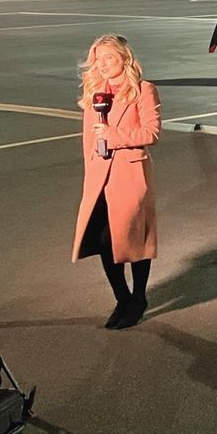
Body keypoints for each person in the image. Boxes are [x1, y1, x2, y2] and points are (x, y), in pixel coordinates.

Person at [72, 34, 161, 329]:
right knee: (103, 241)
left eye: (109, 57)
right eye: (98, 59)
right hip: (100, 177)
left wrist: (114, 137)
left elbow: (151, 132)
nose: (103, 64)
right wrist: (90, 176)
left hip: (130, 175)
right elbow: (88, 141)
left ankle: (138, 298)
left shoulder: (144, 90)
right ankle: (122, 298)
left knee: (133, 239)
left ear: (124, 58)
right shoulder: (95, 94)